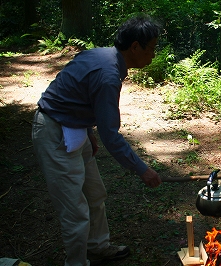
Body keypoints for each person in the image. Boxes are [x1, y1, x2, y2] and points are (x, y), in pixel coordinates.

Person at [31, 14, 162, 266]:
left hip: (75, 129)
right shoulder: (108, 74)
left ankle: (97, 246)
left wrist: (88, 131)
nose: (153, 55)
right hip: (54, 132)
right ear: (135, 47)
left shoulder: (103, 56)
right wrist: (142, 169)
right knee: (75, 211)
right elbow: (111, 136)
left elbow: (76, 94)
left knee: (94, 194)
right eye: (151, 49)